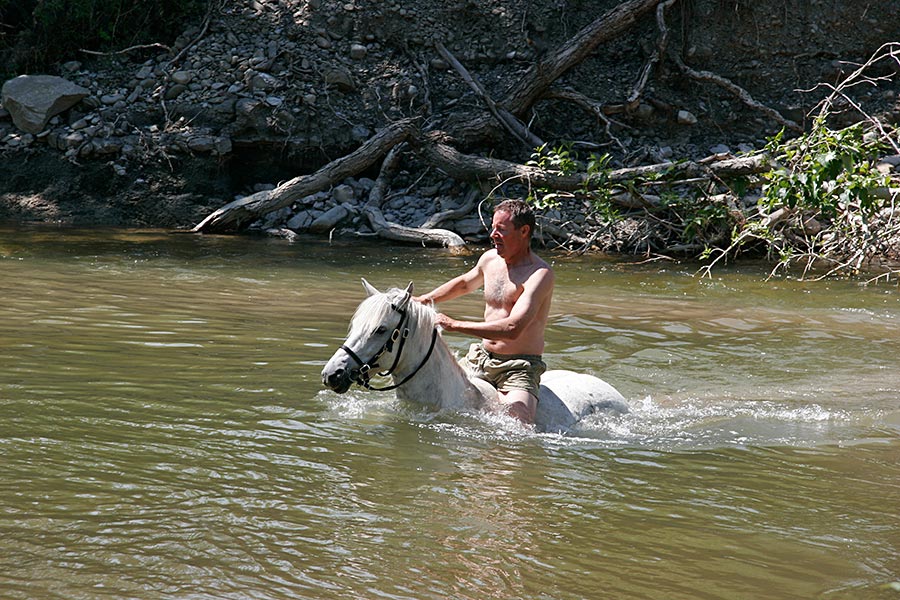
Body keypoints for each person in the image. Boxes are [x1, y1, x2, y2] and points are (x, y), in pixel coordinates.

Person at [414, 198, 554, 424]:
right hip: (481, 358)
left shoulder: (540, 274)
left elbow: (512, 328)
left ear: (524, 231)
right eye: (492, 227)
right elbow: (464, 284)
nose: (492, 234)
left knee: (518, 427)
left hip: (518, 367)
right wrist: (423, 300)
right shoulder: (489, 259)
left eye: (501, 229)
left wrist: (455, 325)